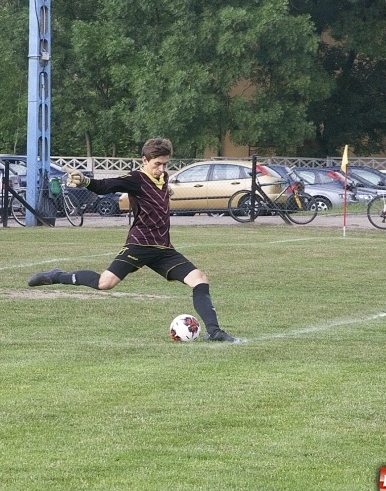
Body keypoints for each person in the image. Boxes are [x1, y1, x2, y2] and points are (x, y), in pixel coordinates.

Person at [27, 137, 241, 343]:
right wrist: (85, 181)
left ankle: (214, 332)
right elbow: (106, 185)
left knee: (200, 279)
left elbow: (159, 189)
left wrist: (166, 190)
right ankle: (56, 275)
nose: (161, 169)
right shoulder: (136, 179)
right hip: (139, 244)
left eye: (165, 164)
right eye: (157, 164)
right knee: (104, 283)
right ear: (144, 161)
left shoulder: (163, 178)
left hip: (163, 248)